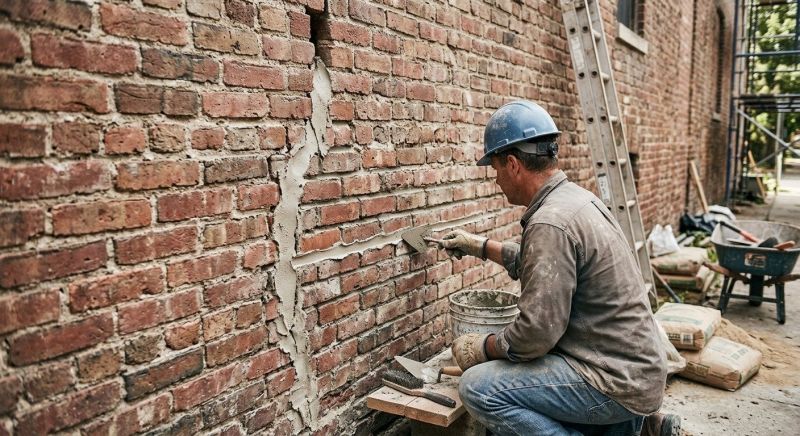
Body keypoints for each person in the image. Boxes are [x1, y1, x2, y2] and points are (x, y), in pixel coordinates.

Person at [439, 100, 678, 436]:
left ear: (513, 164)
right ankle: (634, 430)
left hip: (613, 380)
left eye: (494, 170)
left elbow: (534, 336)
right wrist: (477, 246)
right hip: (634, 368)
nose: (496, 180)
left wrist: (484, 346)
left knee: (478, 386)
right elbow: (540, 263)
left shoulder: (550, 223)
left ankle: (624, 424)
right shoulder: (577, 200)